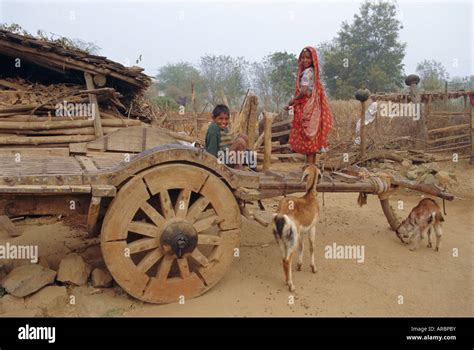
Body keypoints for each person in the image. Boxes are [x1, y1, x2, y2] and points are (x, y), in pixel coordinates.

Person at [286, 46, 333, 164]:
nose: (305, 60)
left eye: (308, 58)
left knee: (308, 137)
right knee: (312, 137)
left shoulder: (307, 73)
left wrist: (292, 101)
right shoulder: (313, 72)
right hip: (313, 107)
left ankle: (309, 168)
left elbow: (303, 91)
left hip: (307, 107)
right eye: (303, 58)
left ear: (313, 59)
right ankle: (311, 167)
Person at [205, 104, 248, 170]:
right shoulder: (213, 128)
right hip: (219, 161)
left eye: (226, 119)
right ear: (213, 118)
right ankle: (238, 167)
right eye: (220, 118)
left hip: (227, 156)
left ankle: (239, 164)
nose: (224, 122)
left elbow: (227, 145)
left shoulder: (225, 128)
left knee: (243, 136)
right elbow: (211, 153)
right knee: (240, 142)